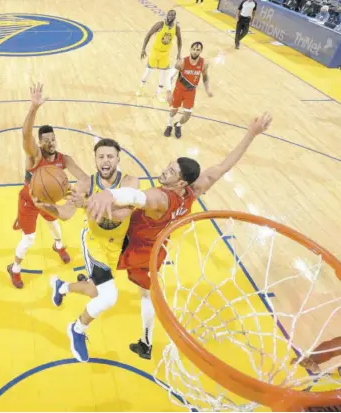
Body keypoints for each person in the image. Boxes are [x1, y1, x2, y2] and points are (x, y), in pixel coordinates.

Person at [85, 112, 273, 359]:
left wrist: (110, 195)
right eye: (169, 165)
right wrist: (251, 134)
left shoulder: (162, 197)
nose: (164, 171)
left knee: (95, 251)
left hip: (130, 245)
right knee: (145, 293)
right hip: (155, 251)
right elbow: (223, 167)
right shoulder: (194, 190)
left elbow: (138, 197)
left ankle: (83, 299)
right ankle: (146, 342)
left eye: (171, 171)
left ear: (181, 182)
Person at [31, 138, 139, 362]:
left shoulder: (130, 182)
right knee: (108, 296)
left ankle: (62, 287)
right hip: (94, 243)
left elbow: (122, 215)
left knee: (94, 290)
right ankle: (77, 329)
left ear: (118, 159)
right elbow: (66, 214)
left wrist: (87, 203)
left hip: (117, 245)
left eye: (110, 156)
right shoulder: (84, 185)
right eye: (101, 157)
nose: (105, 161)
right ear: (96, 160)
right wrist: (45, 206)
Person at [6, 83, 87, 289]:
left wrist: (78, 193)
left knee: (55, 226)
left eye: (53, 139)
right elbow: (25, 135)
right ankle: (14, 269)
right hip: (30, 199)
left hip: (49, 200)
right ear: (40, 143)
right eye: (47, 140)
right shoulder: (35, 156)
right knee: (29, 239)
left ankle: (58, 246)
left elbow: (84, 177)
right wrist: (34, 108)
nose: (51, 142)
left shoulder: (63, 159)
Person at [165, 42, 213, 139]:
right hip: (179, 90)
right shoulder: (181, 62)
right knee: (173, 111)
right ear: (190, 49)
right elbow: (169, 76)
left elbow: (205, 76)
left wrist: (207, 89)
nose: (195, 52)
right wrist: (169, 92)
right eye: (194, 49)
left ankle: (178, 125)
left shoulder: (204, 63)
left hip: (191, 92)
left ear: (201, 51)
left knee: (187, 116)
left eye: (198, 50)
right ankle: (169, 125)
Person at [136, 9, 183, 102]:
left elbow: (180, 39)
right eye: (169, 15)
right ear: (167, 15)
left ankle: (158, 94)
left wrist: (179, 52)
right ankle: (140, 88)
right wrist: (143, 49)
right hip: (155, 51)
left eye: (172, 15)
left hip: (165, 53)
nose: (170, 17)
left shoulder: (176, 28)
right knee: (148, 71)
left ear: (175, 17)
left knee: (163, 74)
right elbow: (148, 35)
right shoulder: (160, 24)